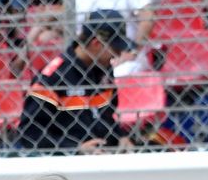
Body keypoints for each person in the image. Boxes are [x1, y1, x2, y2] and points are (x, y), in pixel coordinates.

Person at [16, 11, 126, 153]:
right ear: (96, 43)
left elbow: (107, 118)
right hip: (66, 164)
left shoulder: (104, 70)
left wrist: (122, 137)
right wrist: (75, 149)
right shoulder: (53, 77)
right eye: (115, 49)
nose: (117, 55)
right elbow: (29, 133)